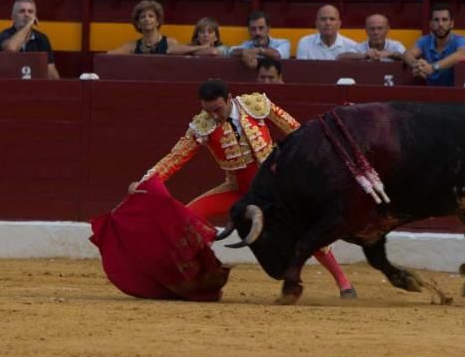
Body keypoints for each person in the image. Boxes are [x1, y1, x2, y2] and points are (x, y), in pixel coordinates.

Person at [128, 78, 357, 298]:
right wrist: (146, 181)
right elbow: (177, 156)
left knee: (305, 228)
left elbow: (296, 132)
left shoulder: (256, 105)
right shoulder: (202, 125)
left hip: (274, 190)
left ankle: (343, 282)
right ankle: (184, 281)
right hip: (238, 190)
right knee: (187, 220)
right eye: (208, 111)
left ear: (229, 99)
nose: (214, 116)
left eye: (217, 109)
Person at [402, 5, 465, 85]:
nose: (440, 24)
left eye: (444, 20)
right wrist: (416, 65)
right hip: (429, 94)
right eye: (436, 20)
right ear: (430, 24)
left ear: (451, 24)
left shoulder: (460, 40)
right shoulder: (424, 40)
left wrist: (433, 67)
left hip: (454, 94)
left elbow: (462, 54)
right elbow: (407, 53)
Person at [0, 0, 60, 78]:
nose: (26, 15)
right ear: (13, 17)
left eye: (30, 12)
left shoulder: (42, 39)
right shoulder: (5, 35)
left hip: (35, 85)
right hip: (10, 84)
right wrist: (28, 25)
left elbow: (51, 71)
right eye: (22, 11)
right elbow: (11, 49)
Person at [107, 0, 199, 55]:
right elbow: (108, 55)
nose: (147, 19)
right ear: (138, 23)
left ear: (158, 21)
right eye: (142, 17)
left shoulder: (170, 42)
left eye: (151, 16)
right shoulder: (132, 46)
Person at [296, 4, 361, 59]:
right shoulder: (305, 43)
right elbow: (302, 71)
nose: (328, 23)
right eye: (323, 19)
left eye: (332, 19)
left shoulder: (352, 46)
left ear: (339, 24)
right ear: (316, 24)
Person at [338, 13, 406, 61]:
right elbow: (340, 57)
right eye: (372, 29)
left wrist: (391, 55)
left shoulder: (395, 46)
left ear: (387, 29)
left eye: (380, 28)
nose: (376, 32)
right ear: (366, 30)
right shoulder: (360, 47)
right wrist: (365, 56)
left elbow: (408, 59)